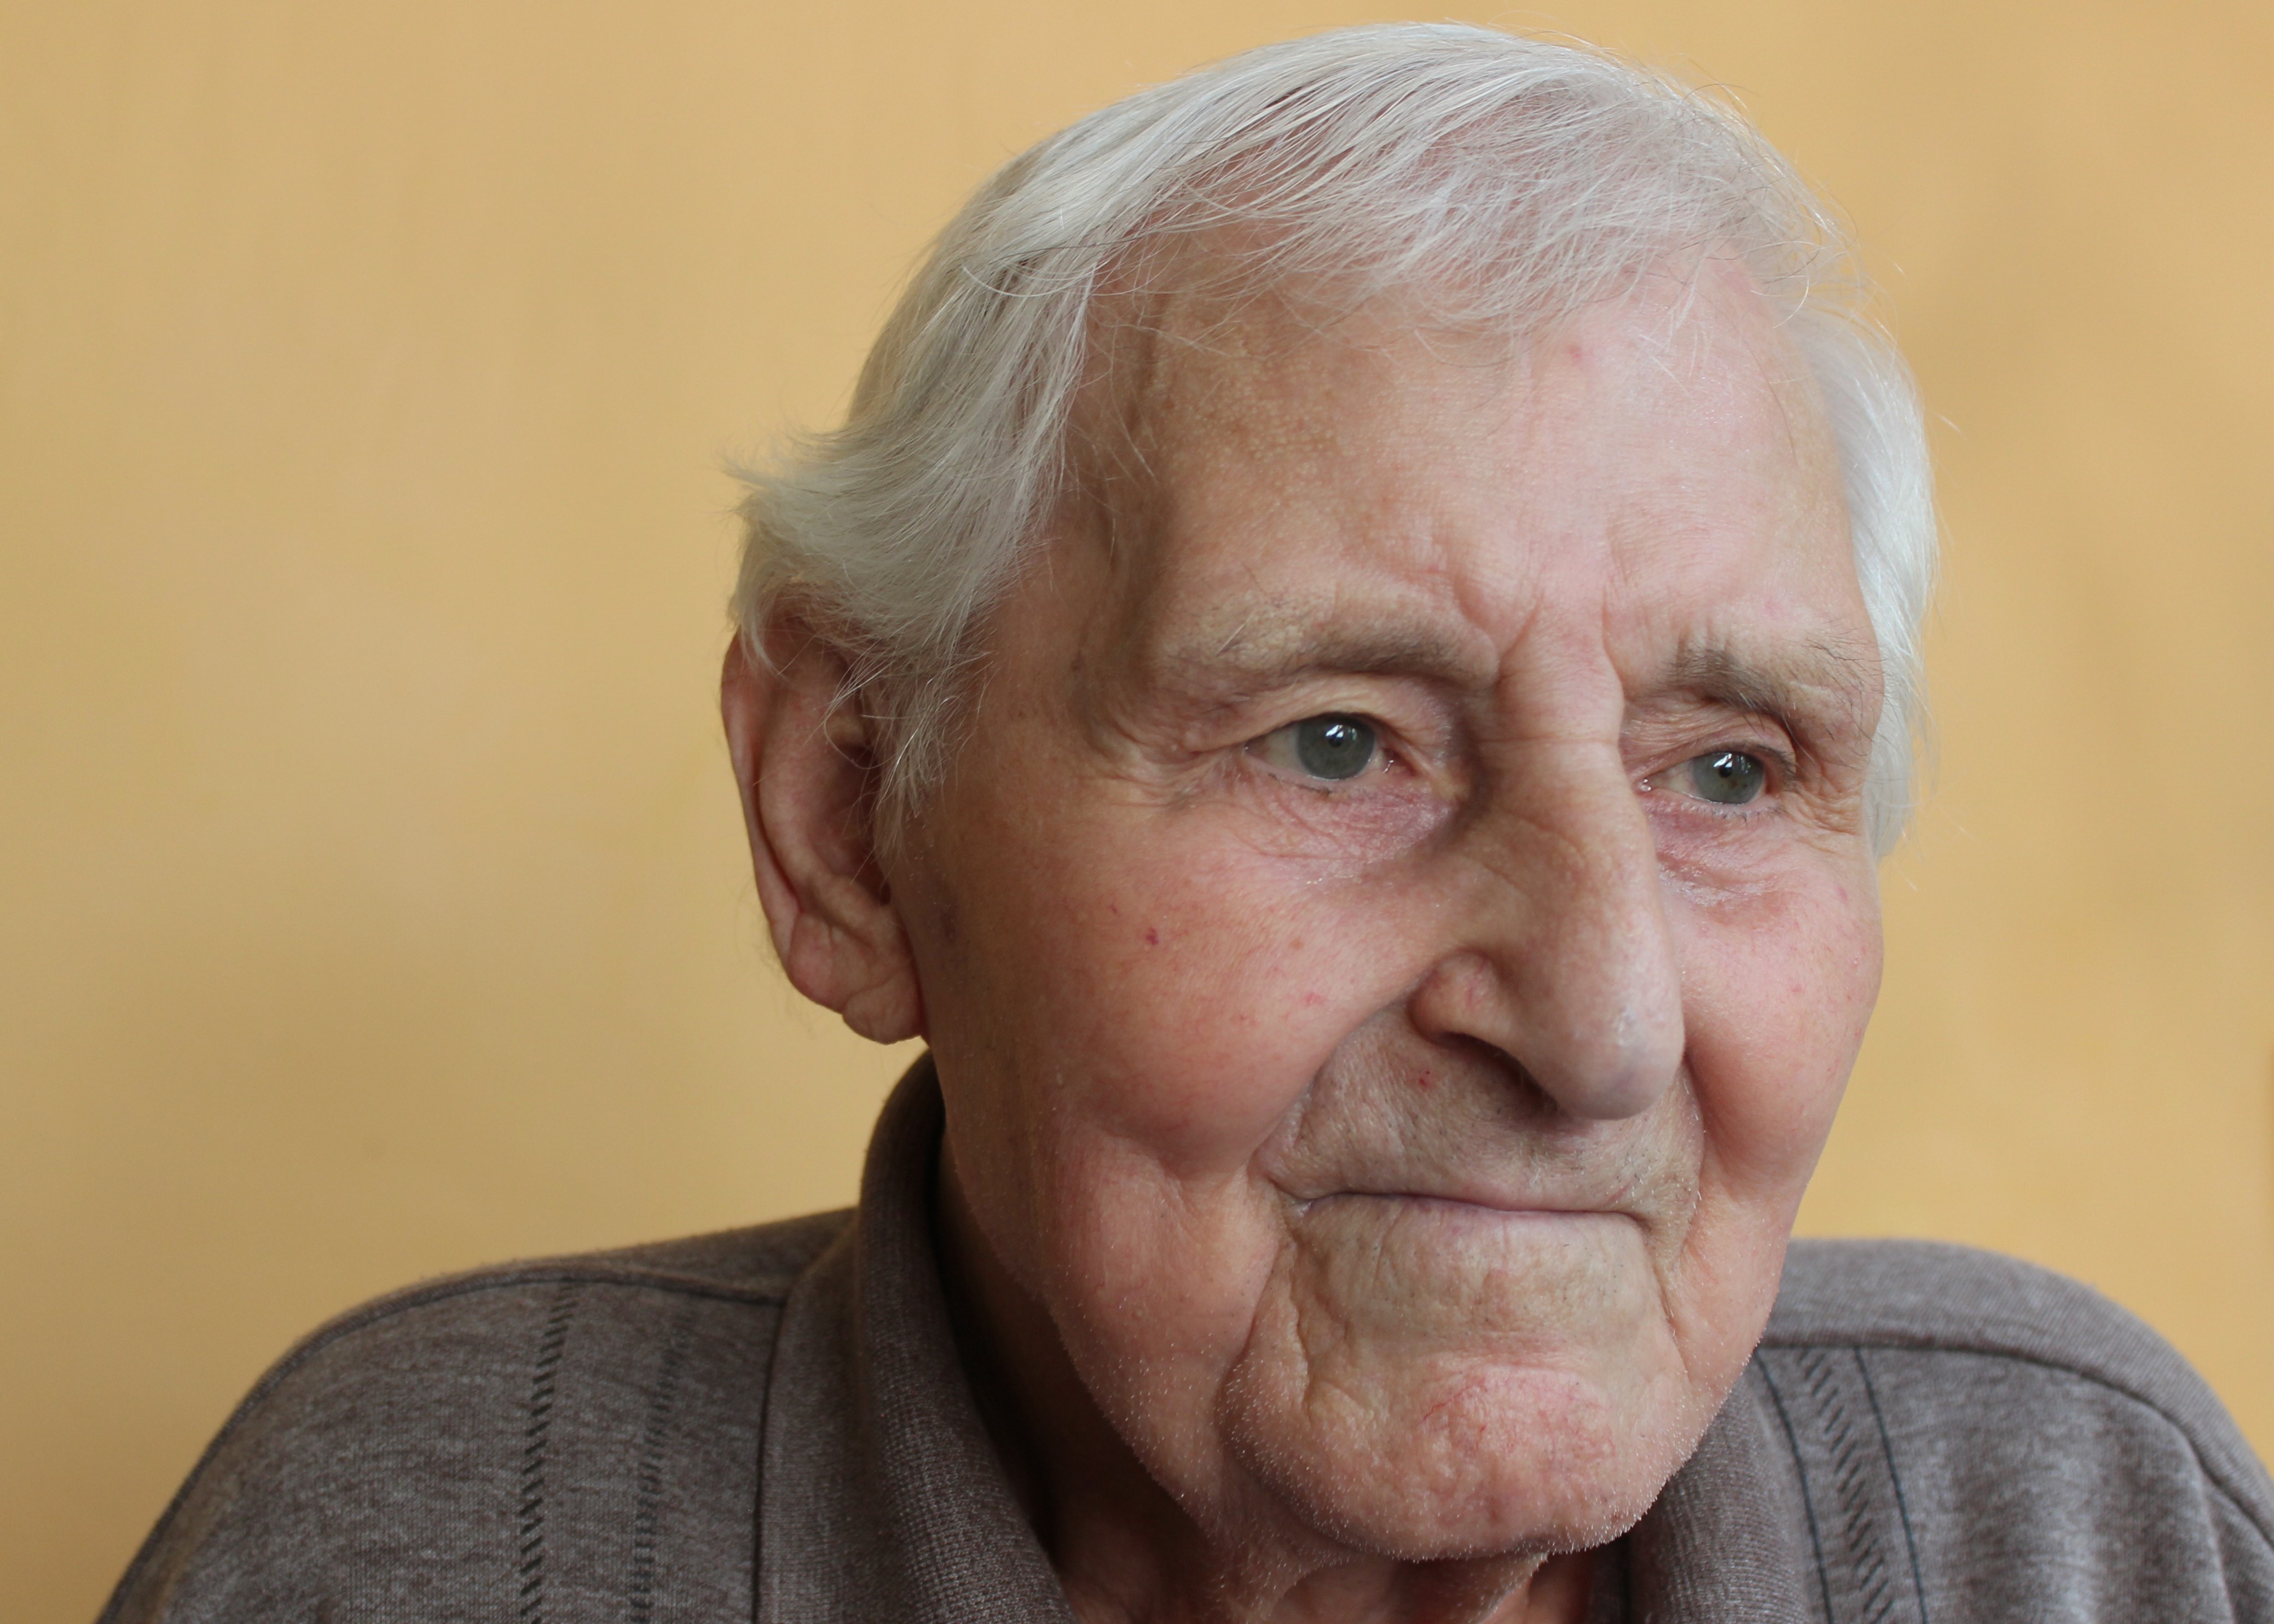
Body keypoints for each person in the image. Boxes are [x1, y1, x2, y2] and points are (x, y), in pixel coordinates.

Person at [101, 24, 2272, 1624]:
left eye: (1726, 769)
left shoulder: (2086, 1531)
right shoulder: (422, 1544)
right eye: (1334, 742)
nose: (1602, 1022)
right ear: (851, 815)